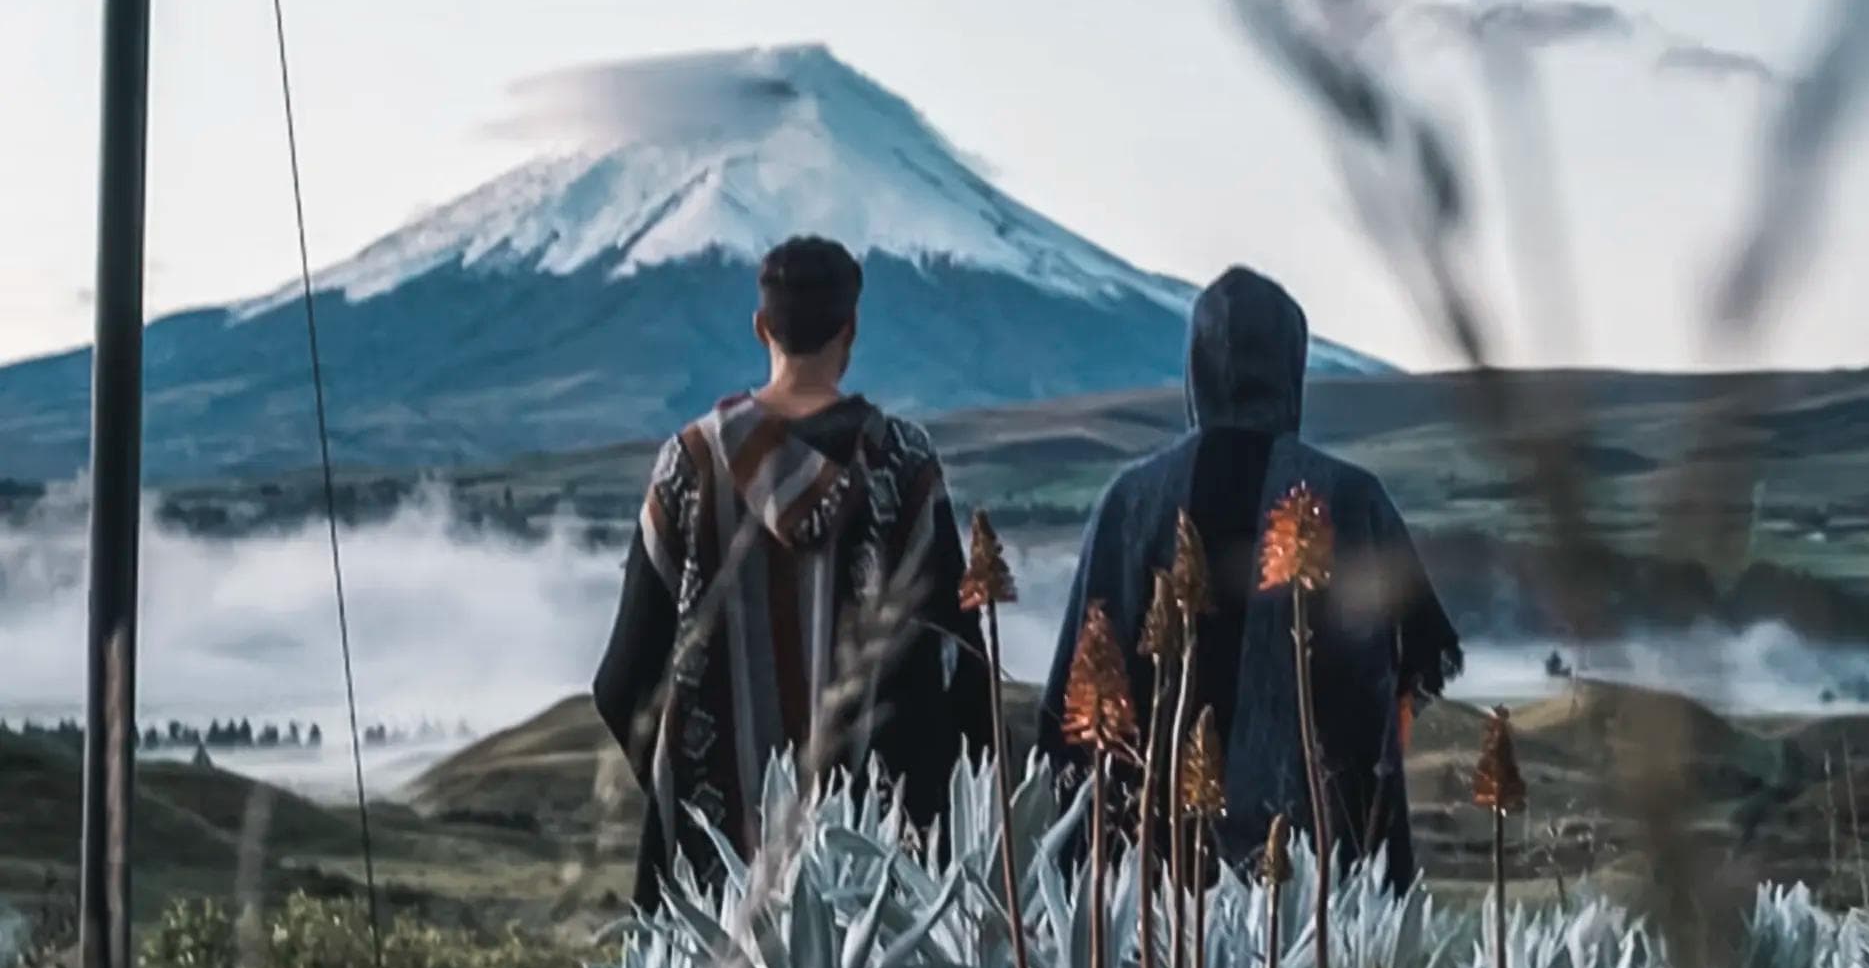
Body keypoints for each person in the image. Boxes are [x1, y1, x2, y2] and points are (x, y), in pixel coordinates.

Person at [594, 235, 991, 908]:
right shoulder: (903, 466)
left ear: (760, 328)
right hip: (882, 885)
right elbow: (964, 670)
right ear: (852, 329)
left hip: (714, 889)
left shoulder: (689, 467)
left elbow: (622, 678)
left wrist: (690, 792)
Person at [1039, 265, 1460, 892]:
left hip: (1141, 887)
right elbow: (1411, 671)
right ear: (1292, 368)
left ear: (1196, 372)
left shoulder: (1128, 502)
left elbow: (1074, 708)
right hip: (1307, 888)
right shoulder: (1351, 499)